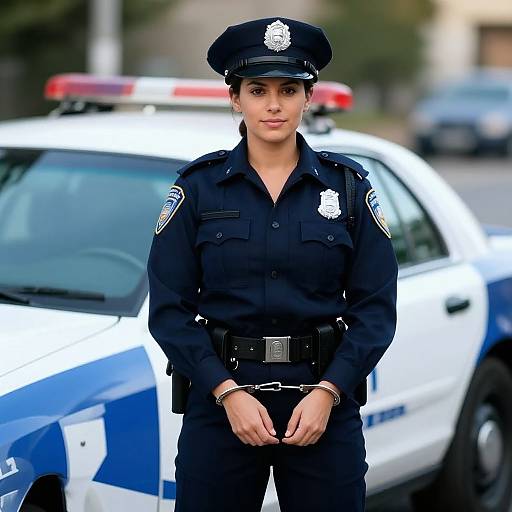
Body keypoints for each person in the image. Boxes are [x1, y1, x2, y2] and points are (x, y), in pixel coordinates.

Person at [147, 16, 398, 512]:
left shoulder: (348, 189)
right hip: (222, 407)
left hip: (321, 406)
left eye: (289, 89)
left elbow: (376, 309)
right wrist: (225, 392)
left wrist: (330, 391)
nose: (274, 105)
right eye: (258, 89)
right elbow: (170, 310)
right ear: (235, 98)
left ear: (308, 97)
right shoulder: (197, 190)